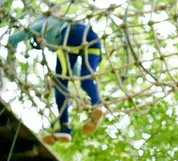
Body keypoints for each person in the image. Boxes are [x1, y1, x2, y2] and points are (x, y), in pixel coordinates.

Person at [6, 16, 104, 145]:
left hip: (71, 35)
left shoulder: (42, 25)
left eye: (39, 41)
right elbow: (74, 70)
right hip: (91, 37)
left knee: (60, 84)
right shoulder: (59, 23)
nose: (43, 44)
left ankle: (65, 128)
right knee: (85, 79)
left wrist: (11, 64)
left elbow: (13, 40)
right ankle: (98, 105)